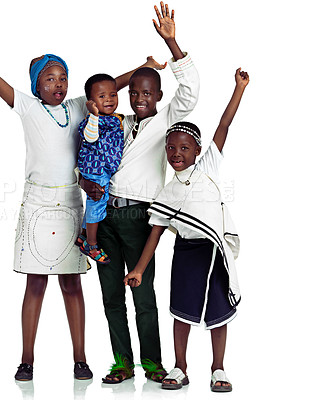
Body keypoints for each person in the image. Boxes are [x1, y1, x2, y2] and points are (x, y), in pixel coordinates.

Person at [0, 24, 165, 382]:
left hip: (72, 200)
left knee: (72, 284)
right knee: (35, 284)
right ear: (36, 85)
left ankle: (81, 359)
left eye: (63, 77)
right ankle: (27, 359)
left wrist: (141, 68)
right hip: (37, 202)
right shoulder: (28, 107)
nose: (59, 84)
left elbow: (108, 87)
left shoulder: (77, 107)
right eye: (51, 78)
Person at [79, 2, 200, 384]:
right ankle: (121, 362)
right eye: (134, 92)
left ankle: (152, 363)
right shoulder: (117, 122)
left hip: (139, 216)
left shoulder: (167, 119)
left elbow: (191, 88)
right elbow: (98, 99)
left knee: (142, 293)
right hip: (104, 215)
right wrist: (84, 181)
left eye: (147, 92)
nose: (140, 98)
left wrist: (172, 44)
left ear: (160, 96)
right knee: (111, 294)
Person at [124, 68, 250, 392]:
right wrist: (138, 269)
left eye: (184, 148)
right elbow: (155, 233)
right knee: (182, 311)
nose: (176, 154)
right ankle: (180, 367)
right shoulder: (167, 193)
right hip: (186, 254)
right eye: (171, 149)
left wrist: (239, 88)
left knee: (217, 313)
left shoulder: (207, 167)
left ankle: (218, 368)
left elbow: (224, 124)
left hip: (213, 251)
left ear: (196, 151)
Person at [77, 74, 124, 264]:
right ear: (90, 102)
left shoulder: (113, 119)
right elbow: (90, 137)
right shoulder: (92, 121)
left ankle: (83, 234)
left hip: (103, 170)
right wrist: (94, 115)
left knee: (97, 204)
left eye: (113, 95)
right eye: (102, 96)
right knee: (96, 204)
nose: (109, 100)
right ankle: (91, 244)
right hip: (95, 171)